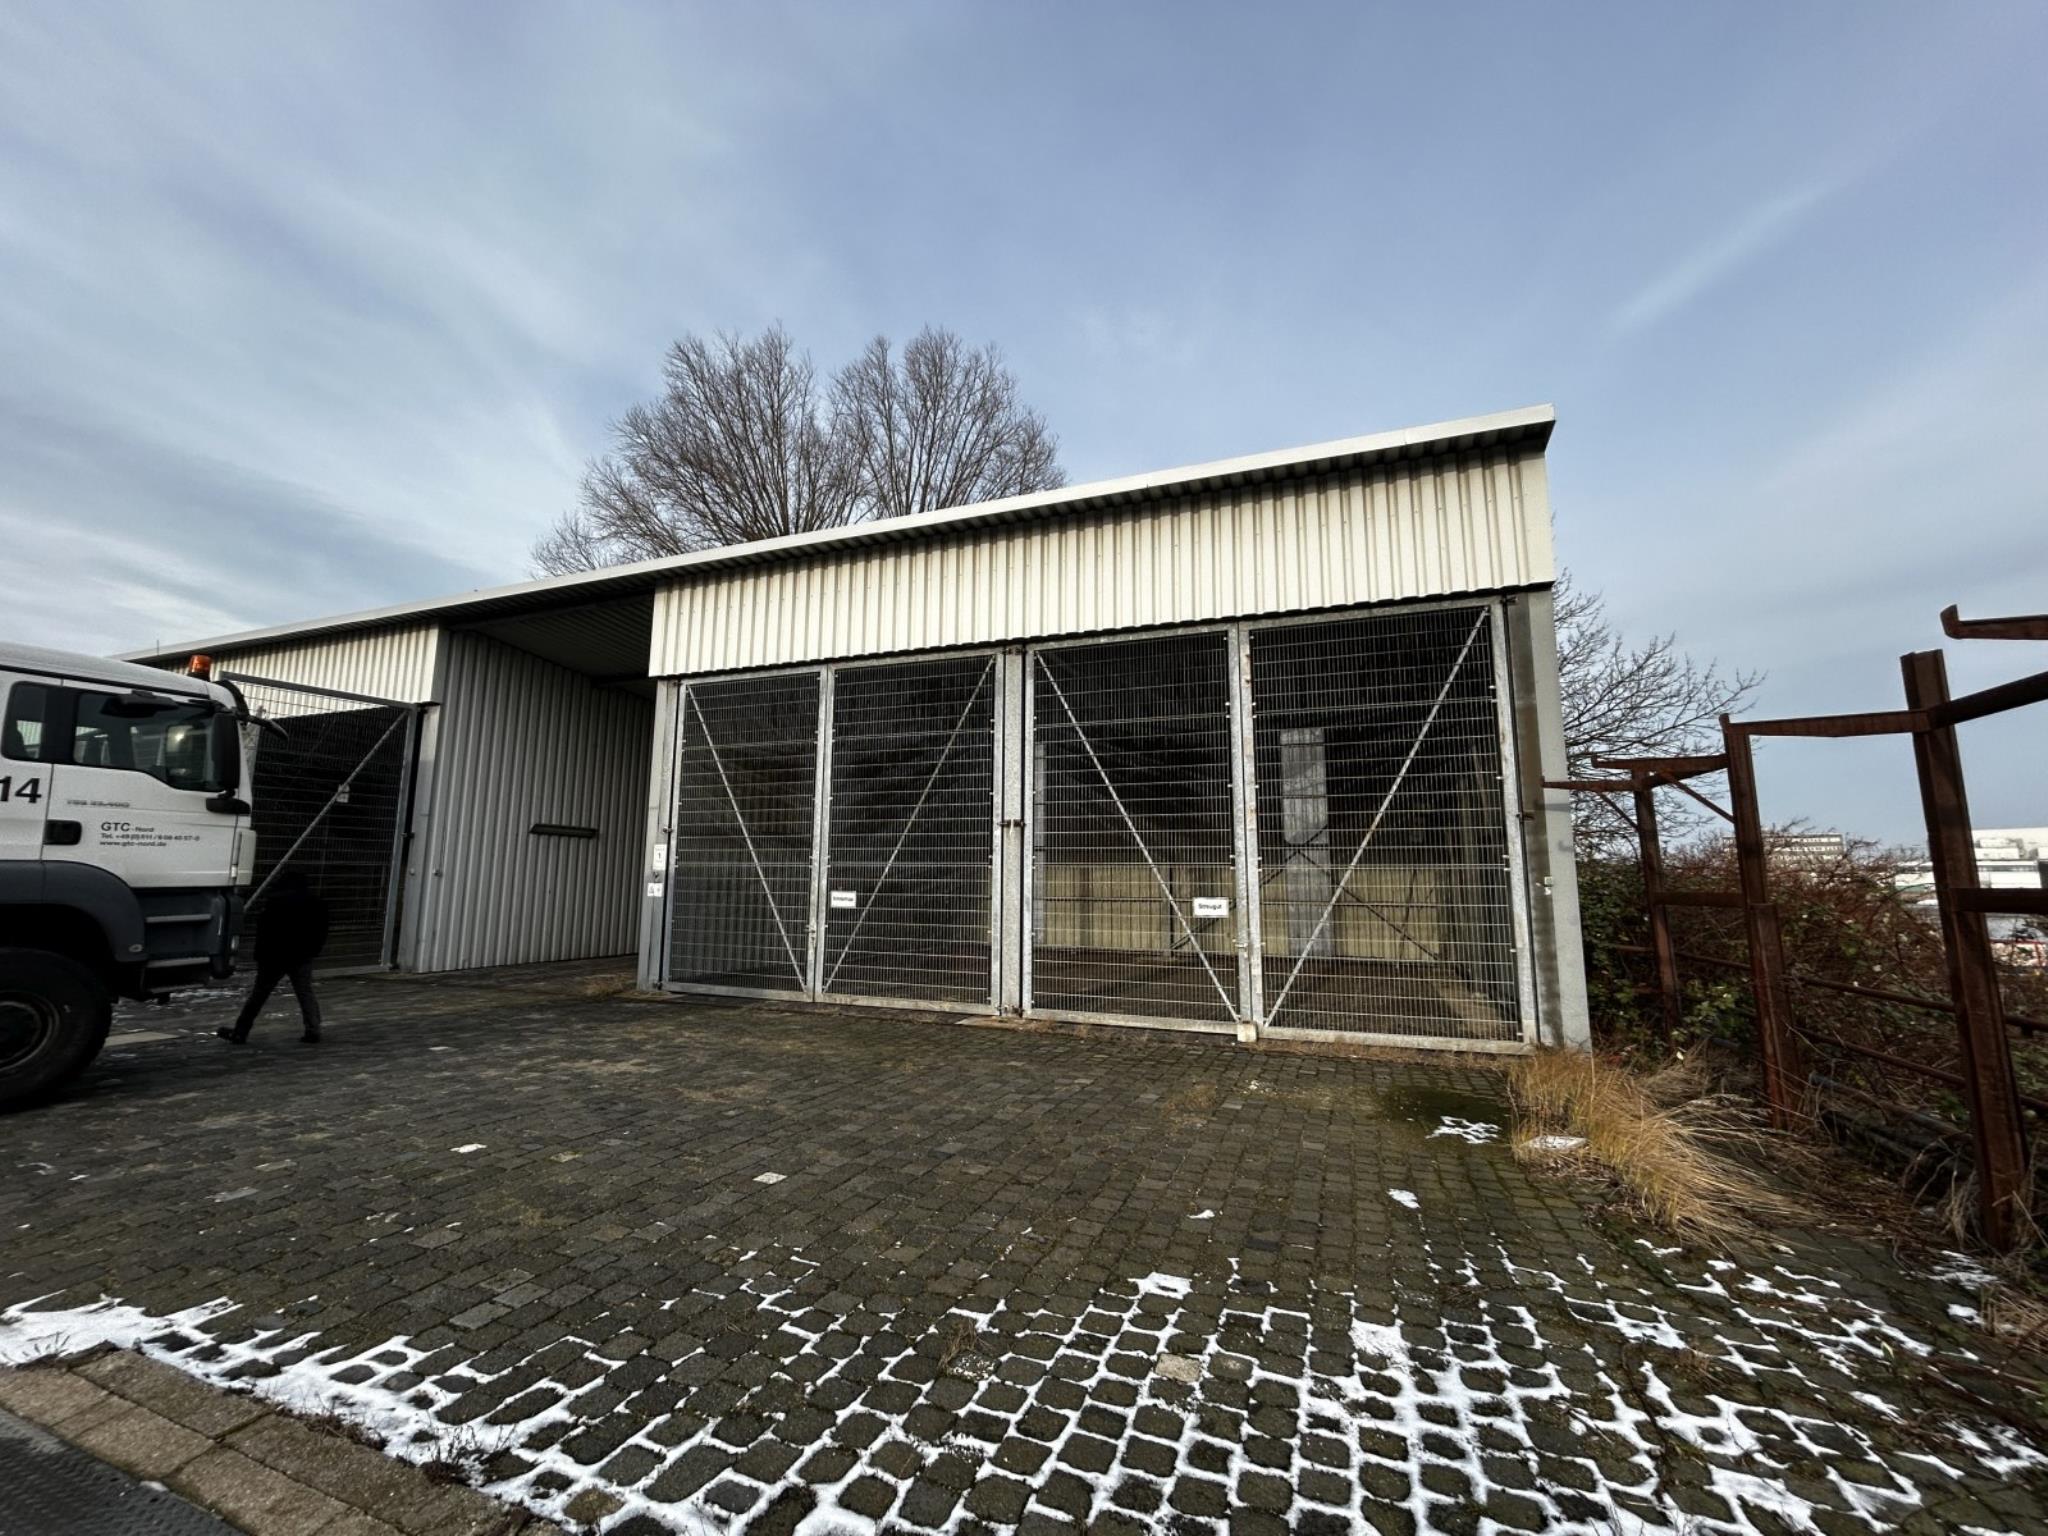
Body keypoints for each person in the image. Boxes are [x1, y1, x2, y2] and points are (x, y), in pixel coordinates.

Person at [219, 869, 329, 1045]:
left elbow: (264, 931)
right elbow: (321, 931)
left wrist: (260, 955)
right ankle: (313, 1029)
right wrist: (313, 950)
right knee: (305, 993)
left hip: (273, 956)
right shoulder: (315, 902)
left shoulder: (275, 901)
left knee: (258, 995)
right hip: (301, 955)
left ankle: (241, 1031)